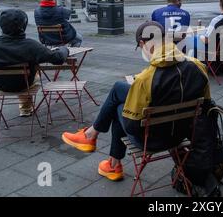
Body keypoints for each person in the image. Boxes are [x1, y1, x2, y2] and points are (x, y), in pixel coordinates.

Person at [61, 21, 211, 181]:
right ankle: (110, 161)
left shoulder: (146, 79)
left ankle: (98, 144)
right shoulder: (198, 66)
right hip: (182, 134)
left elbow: (132, 126)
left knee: (119, 105)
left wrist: (137, 93)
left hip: (152, 141)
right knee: (120, 94)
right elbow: (206, 105)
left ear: (142, 43)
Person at [0, 9, 69, 117]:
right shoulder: (30, 45)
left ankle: (25, 109)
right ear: (23, 25)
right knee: (34, 71)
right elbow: (58, 59)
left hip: (1, 85)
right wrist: (64, 49)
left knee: (24, 71)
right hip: (23, 85)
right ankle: (25, 108)